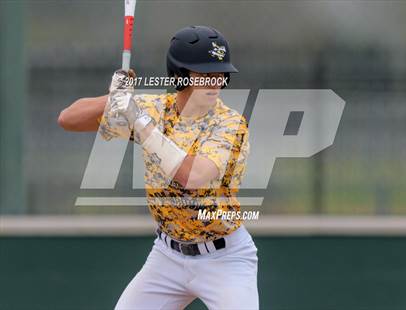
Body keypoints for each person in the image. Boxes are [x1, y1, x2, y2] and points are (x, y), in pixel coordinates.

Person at [58, 25, 258, 310]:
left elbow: (194, 177)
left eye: (220, 73)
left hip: (225, 258)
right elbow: (68, 119)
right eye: (204, 73)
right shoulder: (152, 109)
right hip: (168, 256)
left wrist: (140, 123)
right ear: (179, 75)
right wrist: (115, 98)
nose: (214, 82)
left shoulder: (229, 123)